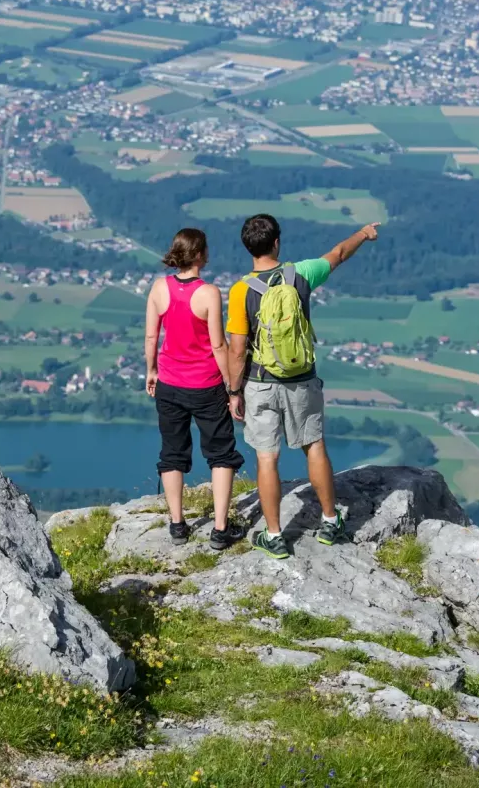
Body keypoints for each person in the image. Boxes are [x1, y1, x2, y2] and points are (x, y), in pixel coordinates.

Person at [226, 213, 380, 559]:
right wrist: (363, 233)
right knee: (314, 445)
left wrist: (234, 392)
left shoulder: (240, 291)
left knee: (267, 457)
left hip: (260, 383)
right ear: (277, 242)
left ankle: (275, 535)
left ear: (247, 248)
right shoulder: (301, 274)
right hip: (302, 379)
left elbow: (237, 349)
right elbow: (339, 253)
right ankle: (329, 521)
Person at [145, 227, 245, 551]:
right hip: (206, 386)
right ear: (201, 254)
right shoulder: (209, 293)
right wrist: (233, 387)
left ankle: (177, 525)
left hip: (169, 384)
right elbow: (218, 344)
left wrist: (151, 370)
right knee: (221, 454)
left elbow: (151, 337)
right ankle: (219, 529)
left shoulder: (159, 288)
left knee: (172, 454)